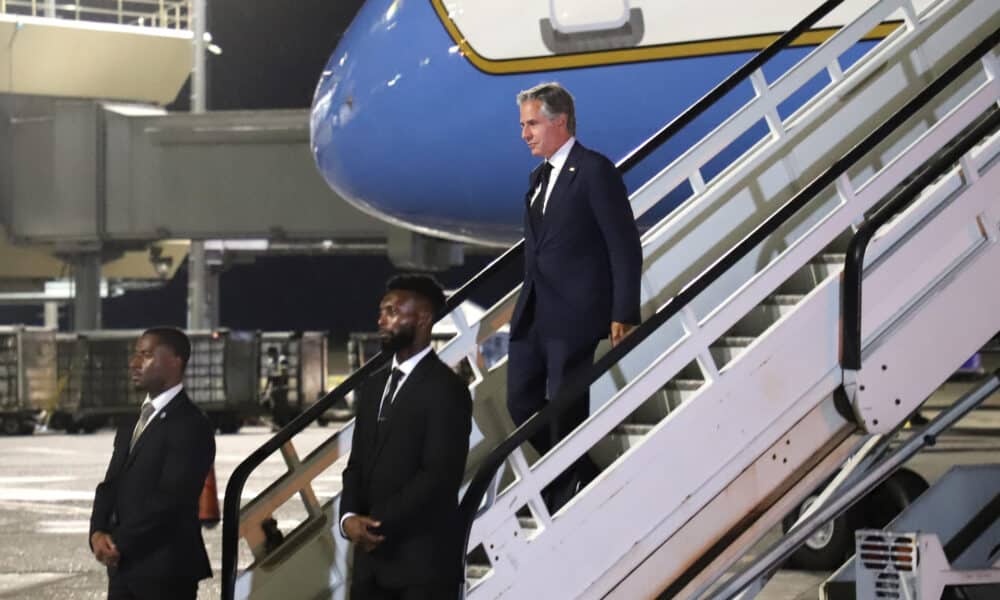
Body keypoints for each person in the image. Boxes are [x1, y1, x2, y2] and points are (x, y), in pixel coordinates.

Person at [507, 82, 643, 510]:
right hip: (535, 311)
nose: (525, 134)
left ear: (559, 121)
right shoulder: (538, 178)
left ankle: (563, 500)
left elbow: (623, 244)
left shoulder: (594, 170)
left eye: (532, 124)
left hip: (577, 313)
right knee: (520, 402)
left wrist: (624, 310)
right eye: (523, 125)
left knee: (566, 408)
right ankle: (581, 477)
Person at [340, 275, 472, 599]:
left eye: (393, 311)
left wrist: (374, 525)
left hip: (421, 569)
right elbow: (356, 464)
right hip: (369, 569)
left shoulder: (447, 390)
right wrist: (348, 519)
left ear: (424, 318)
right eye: (382, 311)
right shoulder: (372, 387)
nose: (381, 319)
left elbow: (438, 476)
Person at [89, 327, 215, 600]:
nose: (134, 363)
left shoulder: (191, 424)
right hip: (124, 568)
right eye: (136, 355)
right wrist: (97, 532)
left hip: (166, 571)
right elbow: (111, 484)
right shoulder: (132, 420)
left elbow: (172, 498)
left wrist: (119, 542)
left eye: (145, 355)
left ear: (175, 360)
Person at [263, 346, 292, 428]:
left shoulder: (282, 360)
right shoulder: (270, 362)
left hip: (282, 387)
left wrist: (280, 386)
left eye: (270, 354)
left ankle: (285, 425)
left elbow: (284, 373)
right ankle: (277, 424)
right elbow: (269, 377)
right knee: (274, 408)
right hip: (275, 387)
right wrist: (266, 389)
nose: (269, 355)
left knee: (282, 408)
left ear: (274, 353)